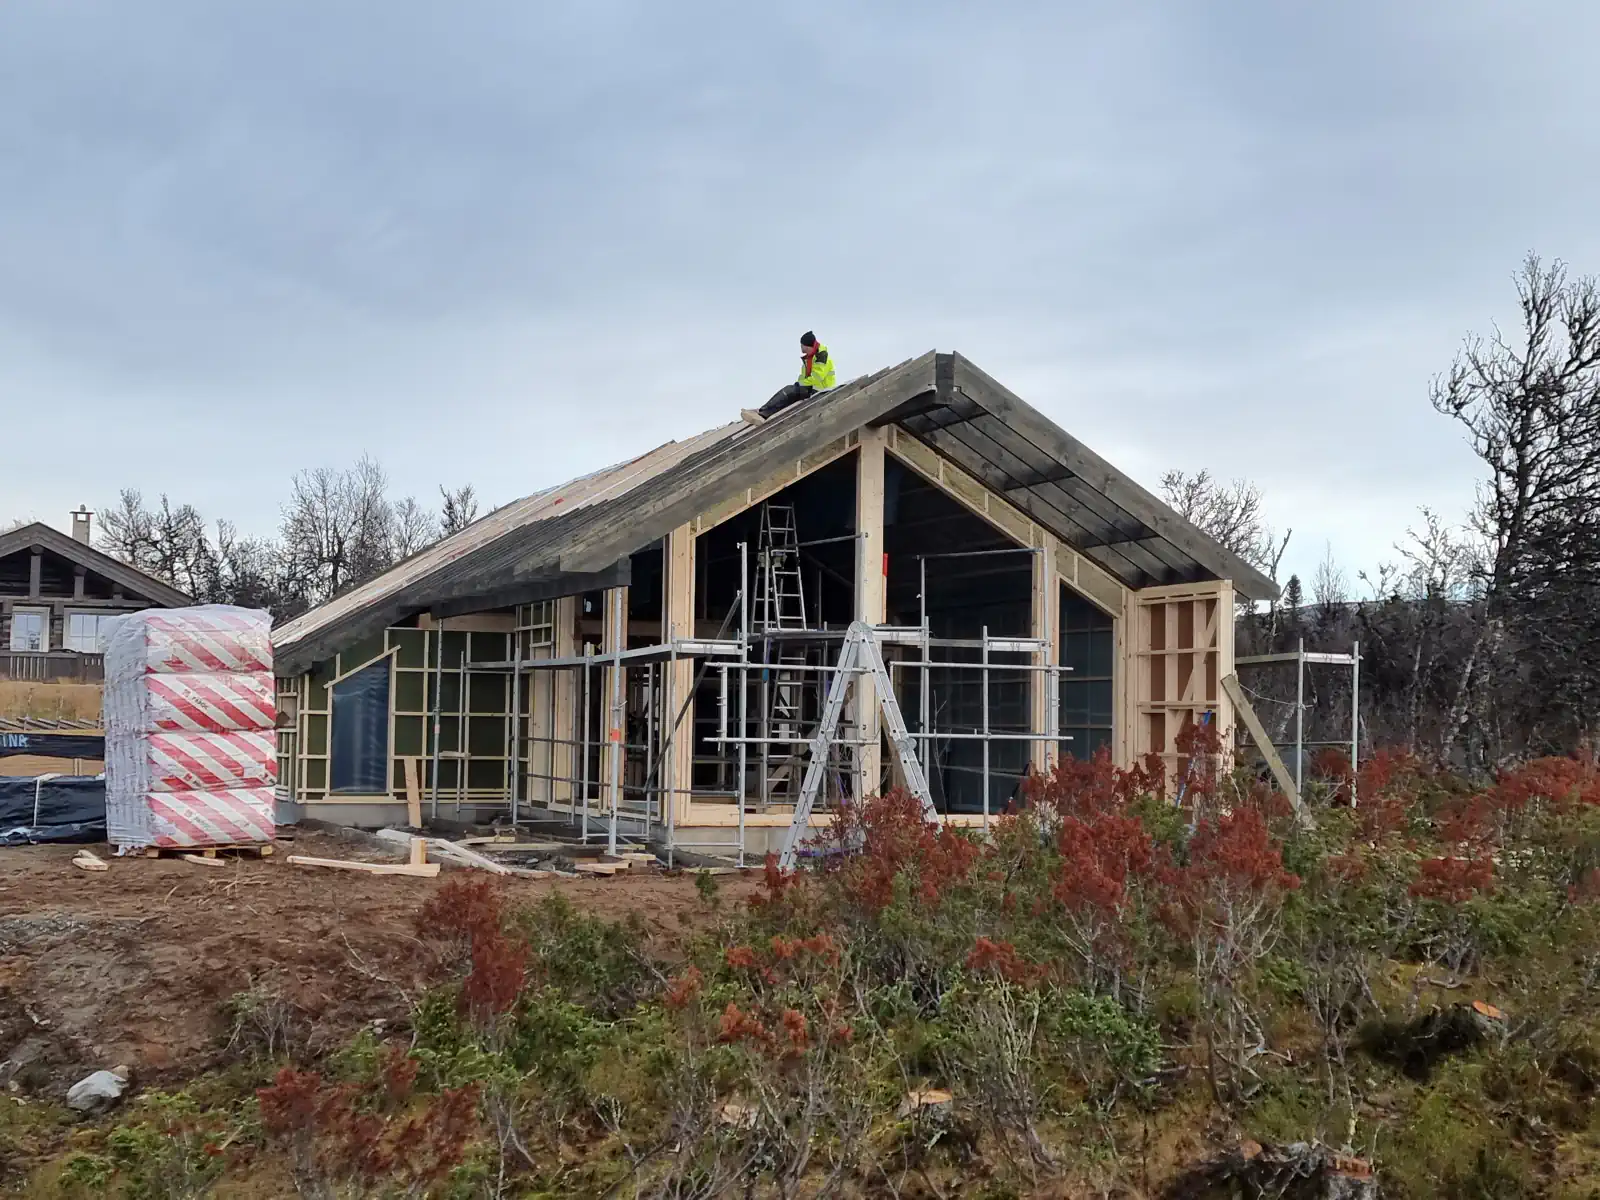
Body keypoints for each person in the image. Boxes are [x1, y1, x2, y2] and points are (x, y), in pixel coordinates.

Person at [745, 332, 836, 422]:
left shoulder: (821, 357)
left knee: (789, 392)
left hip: (820, 391)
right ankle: (763, 413)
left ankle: (762, 412)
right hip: (810, 388)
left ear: (807, 346)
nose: (801, 348)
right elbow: (804, 377)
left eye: (802, 345)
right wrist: (798, 385)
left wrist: (799, 385)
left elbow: (817, 378)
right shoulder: (810, 358)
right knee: (789, 393)